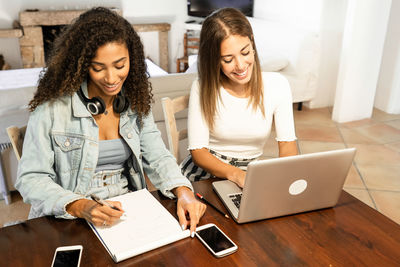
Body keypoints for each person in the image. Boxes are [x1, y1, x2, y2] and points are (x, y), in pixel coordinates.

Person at [15, 7, 205, 235]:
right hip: (71, 218)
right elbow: (30, 179)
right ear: (83, 64)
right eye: (98, 68)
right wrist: (80, 206)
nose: (112, 78)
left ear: (131, 59)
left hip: (126, 212)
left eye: (119, 65)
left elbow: (158, 156)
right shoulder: (52, 109)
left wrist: (183, 191)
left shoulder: (134, 102)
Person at [181, 8, 298, 188]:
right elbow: (198, 152)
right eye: (228, 59)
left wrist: (285, 182)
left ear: (252, 41)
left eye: (245, 53)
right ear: (214, 60)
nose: (241, 66)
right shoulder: (202, 86)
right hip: (204, 176)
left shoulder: (278, 85)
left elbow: (288, 147)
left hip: (249, 176)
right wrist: (236, 174)